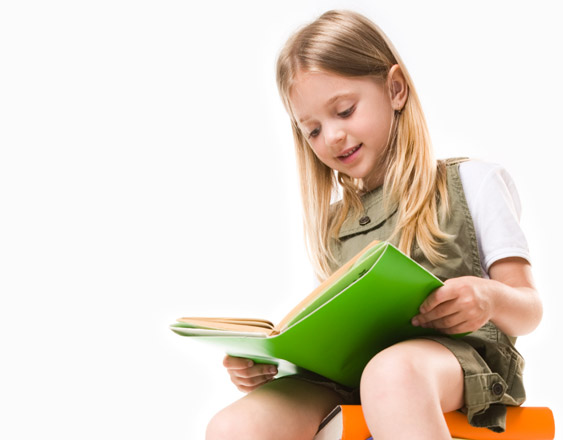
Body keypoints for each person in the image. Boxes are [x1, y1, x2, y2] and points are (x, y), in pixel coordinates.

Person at [206, 9, 542, 440]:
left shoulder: (471, 182)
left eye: (344, 111)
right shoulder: (333, 224)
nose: (331, 137)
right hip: (352, 374)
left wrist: (488, 298)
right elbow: (336, 338)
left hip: (455, 362)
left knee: (391, 374)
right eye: (311, 130)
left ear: (395, 89)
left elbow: (529, 309)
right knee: (233, 426)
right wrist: (270, 361)